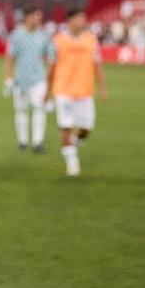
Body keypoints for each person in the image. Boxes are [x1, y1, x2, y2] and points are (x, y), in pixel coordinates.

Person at [45, 9, 107, 177]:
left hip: (85, 91)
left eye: (83, 18)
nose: (82, 21)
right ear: (69, 20)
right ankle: (72, 164)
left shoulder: (91, 40)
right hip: (63, 90)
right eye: (78, 18)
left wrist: (102, 88)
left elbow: (97, 64)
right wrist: (47, 92)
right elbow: (51, 67)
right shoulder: (57, 41)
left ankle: (71, 145)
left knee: (86, 128)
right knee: (66, 126)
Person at [3, 7, 52, 153]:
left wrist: (49, 79)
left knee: (39, 108)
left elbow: (49, 56)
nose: (39, 19)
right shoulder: (16, 36)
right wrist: (8, 79)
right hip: (20, 79)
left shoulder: (44, 35)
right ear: (28, 17)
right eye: (36, 16)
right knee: (21, 110)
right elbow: (10, 58)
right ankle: (22, 141)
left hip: (38, 79)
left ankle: (38, 141)